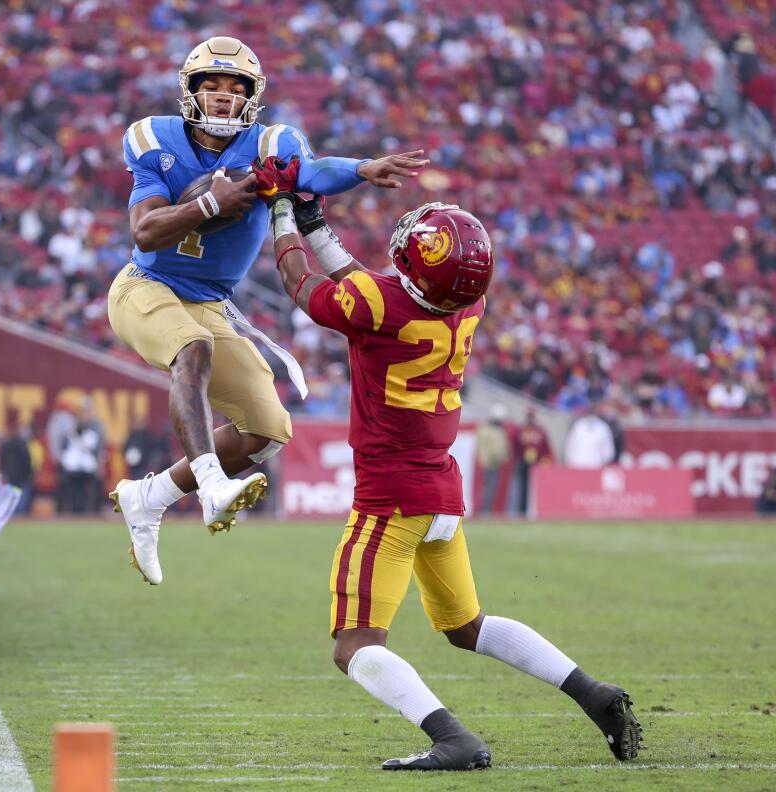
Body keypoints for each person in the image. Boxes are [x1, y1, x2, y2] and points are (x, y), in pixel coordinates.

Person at [256, 156, 641, 770]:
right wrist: (314, 220)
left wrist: (279, 211)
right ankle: (593, 694)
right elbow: (368, 288)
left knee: (353, 647)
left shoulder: (380, 307)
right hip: (440, 490)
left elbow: (305, 285)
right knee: (467, 625)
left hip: (390, 498)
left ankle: (452, 736)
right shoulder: (465, 304)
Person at [108, 35, 428, 585]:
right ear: (190, 92)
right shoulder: (153, 139)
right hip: (146, 285)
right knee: (193, 347)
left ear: (252, 97)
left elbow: (315, 170)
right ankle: (211, 485)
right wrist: (210, 202)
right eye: (212, 87)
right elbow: (144, 230)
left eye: (236, 89)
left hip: (210, 302)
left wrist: (362, 167)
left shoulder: (269, 144)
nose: (224, 98)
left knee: (268, 429)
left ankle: (150, 496)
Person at [511, 409, 552, 515]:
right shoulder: (520, 430)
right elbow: (514, 446)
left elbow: (546, 447)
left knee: (535, 488)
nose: (530, 419)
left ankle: (536, 511)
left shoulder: (540, 431)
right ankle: (522, 512)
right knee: (522, 488)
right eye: (528, 416)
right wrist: (516, 459)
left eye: (531, 416)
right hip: (523, 463)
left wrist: (546, 459)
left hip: (537, 464)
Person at [474, 405, 510, 515]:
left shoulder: (485, 429)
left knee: (489, 488)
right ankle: (485, 511)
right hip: (491, 462)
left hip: (489, 461)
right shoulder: (492, 431)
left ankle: (486, 510)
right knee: (489, 488)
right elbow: (497, 449)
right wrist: (501, 456)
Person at [564, 403, 616, 469]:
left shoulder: (603, 427)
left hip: (595, 468)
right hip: (578, 467)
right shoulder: (578, 426)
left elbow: (608, 454)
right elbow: (569, 448)